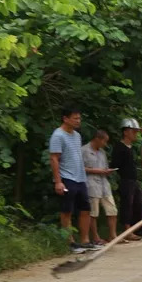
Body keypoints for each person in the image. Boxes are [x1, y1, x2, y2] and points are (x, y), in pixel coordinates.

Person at [49, 108, 96, 253]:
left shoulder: (77, 135)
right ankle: (70, 242)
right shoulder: (58, 135)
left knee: (85, 209)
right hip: (66, 177)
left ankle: (85, 240)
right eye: (75, 118)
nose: (78, 121)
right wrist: (58, 181)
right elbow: (54, 158)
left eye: (79, 118)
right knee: (67, 210)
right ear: (65, 119)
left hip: (80, 177)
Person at [111, 118, 142, 240]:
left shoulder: (130, 147)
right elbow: (115, 165)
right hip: (125, 180)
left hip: (133, 180)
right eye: (133, 131)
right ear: (126, 132)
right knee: (127, 204)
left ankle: (141, 228)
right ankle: (127, 230)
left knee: (139, 204)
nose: (135, 134)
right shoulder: (119, 147)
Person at [82, 129, 118, 244]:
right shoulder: (84, 150)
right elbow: (80, 168)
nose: (105, 144)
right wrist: (97, 171)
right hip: (91, 184)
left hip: (104, 184)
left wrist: (107, 171)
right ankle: (96, 237)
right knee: (94, 212)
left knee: (112, 209)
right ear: (97, 139)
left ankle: (113, 235)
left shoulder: (102, 152)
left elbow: (105, 167)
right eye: (104, 141)